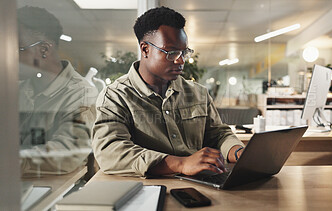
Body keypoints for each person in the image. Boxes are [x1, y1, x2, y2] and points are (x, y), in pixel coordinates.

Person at [92, 6, 245, 177]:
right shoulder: (115, 97)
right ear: (145, 49)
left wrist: (237, 152)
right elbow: (110, 152)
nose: (180, 60)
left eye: (184, 52)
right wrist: (180, 164)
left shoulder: (198, 93)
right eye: (171, 52)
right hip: (145, 190)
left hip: (201, 187)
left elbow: (218, 134)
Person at [18, 6, 98, 175]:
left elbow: (67, 153)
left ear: (43, 50)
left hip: (55, 192)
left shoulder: (80, 94)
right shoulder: (18, 89)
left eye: (17, 49)